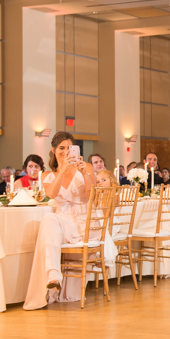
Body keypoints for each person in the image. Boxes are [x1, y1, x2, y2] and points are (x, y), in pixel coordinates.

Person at [24, 132, 97, 309]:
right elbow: (51, 194)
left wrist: (84, 174)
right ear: (53, 150)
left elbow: (92, 197)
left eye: (69, 148)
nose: (65, 152)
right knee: (49, 218)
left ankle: (54, 275)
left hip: (84, 220)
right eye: (61, 148)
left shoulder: (85, 166)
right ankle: (54, 276)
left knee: (50, 221)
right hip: (63, 219)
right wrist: (63, 170)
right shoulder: (47, 175)